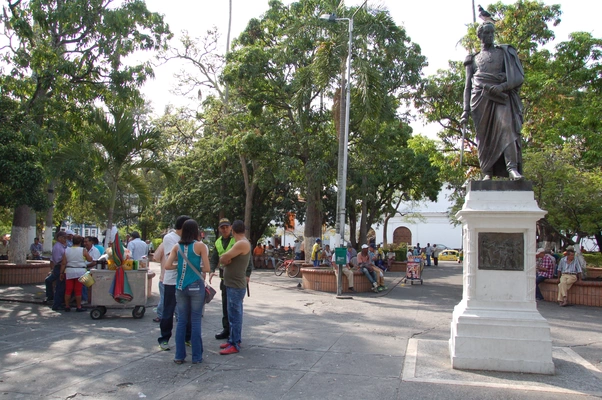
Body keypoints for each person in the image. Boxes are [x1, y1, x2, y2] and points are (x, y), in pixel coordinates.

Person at [460, 21, 525, 181]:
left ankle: (512, 169)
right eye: (486, 33)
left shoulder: (504, 53)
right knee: (483, 137)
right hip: (480, 99)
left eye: (491, 33)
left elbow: (517, 77)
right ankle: (487, 172)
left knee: (507, 127)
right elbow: (467, 86)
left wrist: (502, 86)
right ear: (480, 36)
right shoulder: (473, 59)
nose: (489, 36)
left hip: (501, 97)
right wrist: (465, 110)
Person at [164, 219, 210, 364]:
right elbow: (207, 268)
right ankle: (196, 357)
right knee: (196, 321)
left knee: (181, 321)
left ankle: (179, 356)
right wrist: (195, 269)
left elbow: (167, 265)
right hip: (196, 285)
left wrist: (180, 267)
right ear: (196, 231)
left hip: (180, 287)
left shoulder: (177, 247)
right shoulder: (200, 246)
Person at [210, 218, 253, 341]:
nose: (224, 229)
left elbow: (247, 260)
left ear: (231, 228)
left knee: (235, 312)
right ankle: (227, 331)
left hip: (236, 281)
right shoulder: (218, 242)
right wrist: (212, 270)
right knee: (227, 308)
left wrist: (248, 274)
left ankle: (234, 340)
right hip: (226, 279)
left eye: (226, 227)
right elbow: (215, 258)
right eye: (222, 227)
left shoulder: (239, 241)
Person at [158, 216, 191, 351]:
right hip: (171, 280)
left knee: (187, 311)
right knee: (168, 310)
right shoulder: (170, 238)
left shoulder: (190, 239)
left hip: (187, 279)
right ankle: (164, 339)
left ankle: (187, 337)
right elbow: (173, 256)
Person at [59, 235, 93, 312]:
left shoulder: (67, 250)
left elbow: (63, 263)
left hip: (69, 271)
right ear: (80, 242)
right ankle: (79, 306)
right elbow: (89, 259)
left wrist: (61, 273)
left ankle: (67, 306)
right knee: (78, 290)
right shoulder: (83, 250)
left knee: (68, 290)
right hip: (80, 271)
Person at [45, 231, 67, 308]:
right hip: (59, 267)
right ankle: (57, 304)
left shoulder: (62, 246)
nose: (65, 239)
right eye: (64, 238)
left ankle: (57, 301)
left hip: (61, 267)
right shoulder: (58, 247)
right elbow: (58, 260)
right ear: (59, 238)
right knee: (59, 286)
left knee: (61, 286)